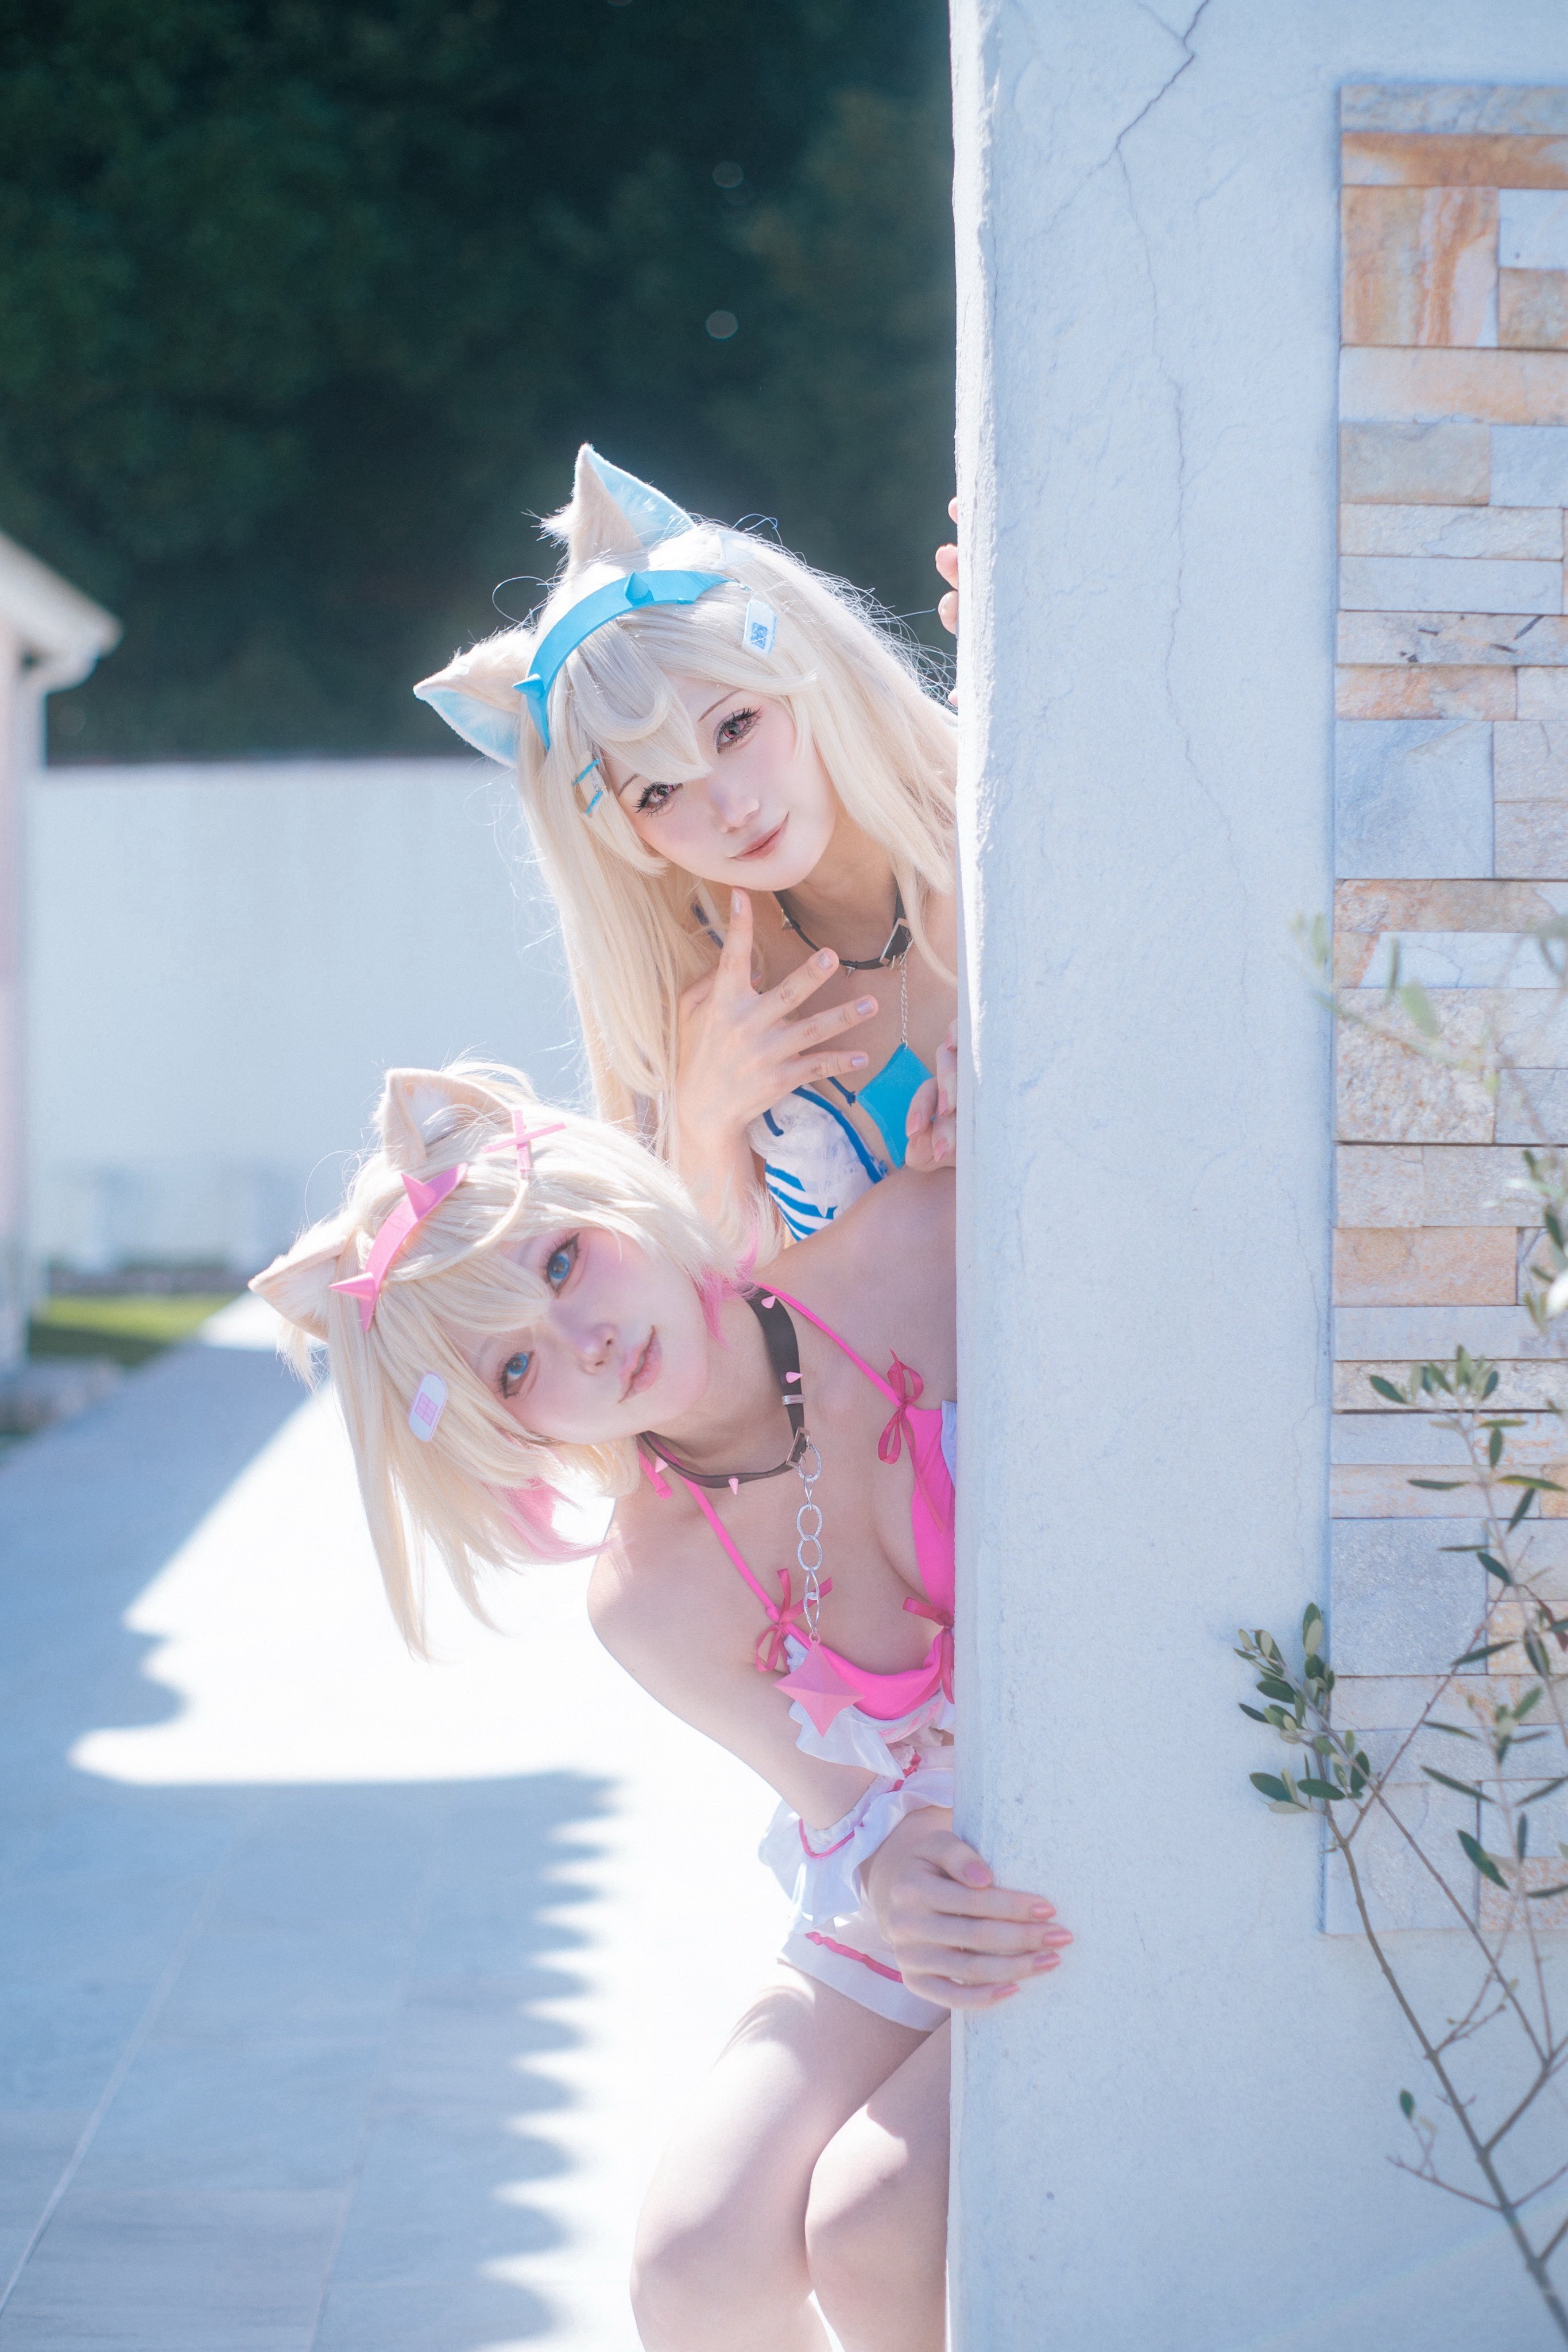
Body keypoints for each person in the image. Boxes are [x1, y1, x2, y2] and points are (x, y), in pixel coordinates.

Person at [252, 1060, 1068, 2352]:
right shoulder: (649, 1595)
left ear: (617, 1201)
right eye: (516, 1365)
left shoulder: (917, 1248)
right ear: (506, 1432)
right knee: (692, 2266)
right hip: (941, 1880)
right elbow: (855, 1818)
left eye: (563, 1260)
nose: (584, 1340)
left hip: (1092, 1802)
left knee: (868, 2218)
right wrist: (897, 1871)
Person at [413, 448, 959, 1245]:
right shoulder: (683, 996)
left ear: (799, 671)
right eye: (658, 792)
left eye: (736, 726)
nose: (733, 808)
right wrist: (703, 1134)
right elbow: (696, 1313)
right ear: (618, 834)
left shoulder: (1007, 821)